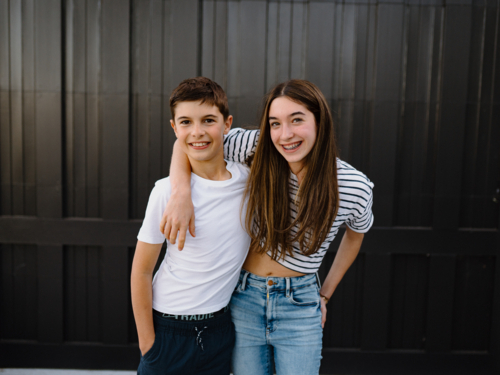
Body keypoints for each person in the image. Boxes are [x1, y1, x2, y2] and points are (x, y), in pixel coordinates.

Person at [161, 79, 374, 375]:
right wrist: (181, 192)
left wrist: (324, 294)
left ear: (319, 121)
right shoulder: (256, 146)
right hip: (243, 299)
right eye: (275, 123)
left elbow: (356, 234)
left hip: (299, 305)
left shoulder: (353, 185)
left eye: (296, 120)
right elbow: (188, 141)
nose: (285, 134)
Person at [130, 77, 252, 375]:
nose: (197, 132)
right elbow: (142, 271)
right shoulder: (166, 192)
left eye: (208, 120)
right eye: (186, 122)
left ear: (227, 124)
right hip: (170, 330)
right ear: (174, 128)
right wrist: (149, 346)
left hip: (221, 330)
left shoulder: (249, 182)